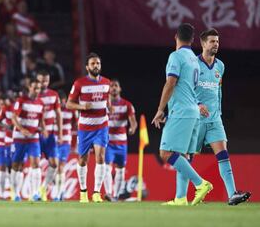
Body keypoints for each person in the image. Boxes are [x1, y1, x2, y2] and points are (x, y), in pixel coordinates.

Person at [173, 28, 251, 206]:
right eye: (212, 41)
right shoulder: (192, 64)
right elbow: (184, 89)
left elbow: (218, 91)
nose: (216, 44)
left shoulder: (220, 66)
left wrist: (218, 112)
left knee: (223, 154)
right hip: (195, 119)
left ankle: (232, 194)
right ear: (202, 43)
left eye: (217, 41)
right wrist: (197, 104)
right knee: (187, 158)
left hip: (215, 120)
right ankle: (182, 197)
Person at [151, 23, 212, 206]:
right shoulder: (195, 59)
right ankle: (180, 198)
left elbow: (171, 83)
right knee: (183, 156)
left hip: (182, 112)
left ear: (175, 36)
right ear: (193, 40)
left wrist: (161, 109)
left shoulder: (176, 56)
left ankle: (201, 184)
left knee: (166, 153)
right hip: (194, 113)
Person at [66, 52, 112, 203]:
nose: (96, 66)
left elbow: (108, 102)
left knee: (100, 157)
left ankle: (97, 192)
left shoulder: (107, 83)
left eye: (98, 63)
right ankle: (83, 192)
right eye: (93, 63)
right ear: (87, 67)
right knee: (82, 159)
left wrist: (109, 108)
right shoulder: (79, 84)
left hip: (101, 126)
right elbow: (68, 104)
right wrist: (82, 106)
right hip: (85, 127)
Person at [10, 79, 47, 201]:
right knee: (17, 165)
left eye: (39, 88)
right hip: (19, 138)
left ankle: (35, 193)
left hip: (33, 138)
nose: (37, 91)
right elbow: (13, 117)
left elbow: (41, 119)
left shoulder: (41, 103)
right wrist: (21, 129)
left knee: (36, 164)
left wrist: (44, 128)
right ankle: (15, 193)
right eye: (35, 88)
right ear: (29, 87)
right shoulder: (21, 101)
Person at [103, 79, 137, 202]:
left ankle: (116, 196)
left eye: (115, 86)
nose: (113, 88)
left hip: (121, 143)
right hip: (108, 142)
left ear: (120, 89)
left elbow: (133, 121)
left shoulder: (127, 105)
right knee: (106, 167)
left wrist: (132, 128)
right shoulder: (104, 104)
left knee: (120, 169)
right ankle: (108, 193)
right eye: (111, 86)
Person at [36, 70, 63, 202]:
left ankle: (43, 189)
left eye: (46, 81)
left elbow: (58, 114)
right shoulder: (33, 96)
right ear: (36, 80)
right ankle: (35, 192)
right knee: (33, 164)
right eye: (41, 81)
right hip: (35, 134)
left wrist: (60, 133)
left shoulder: (54, 95)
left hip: (50, 135)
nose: (43, 83)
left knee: (54, 164)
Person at [53, 91, 77, 201]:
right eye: (59, 101)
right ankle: (59, 190)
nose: (62, 103)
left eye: (63, 100)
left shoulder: (71, 110)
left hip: (66, 141)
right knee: (54, 167)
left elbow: (77, 126)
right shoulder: (53, 110)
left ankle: (59, 193)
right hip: (54, 142)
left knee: (61, 167)